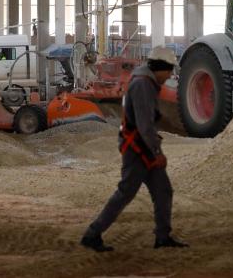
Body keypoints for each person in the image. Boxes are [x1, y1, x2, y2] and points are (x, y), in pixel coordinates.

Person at [80, 47, 188, 252]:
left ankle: (163, 237)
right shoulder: (142, 85)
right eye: (169, 71)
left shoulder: (147, 82)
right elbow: (144, 126)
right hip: (137, 147)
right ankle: (92, 234)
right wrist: (157, 153)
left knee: (163, 190)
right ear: (159, 68)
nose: (170, 75)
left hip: (142, 145)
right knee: (125, 193)